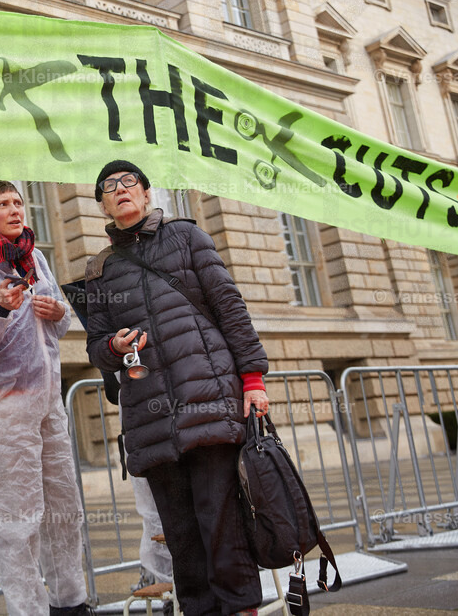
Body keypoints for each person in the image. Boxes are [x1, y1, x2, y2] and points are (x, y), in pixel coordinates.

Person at [84, 161, 270, 616]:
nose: (120, 189)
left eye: (129, 182)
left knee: (222, 523)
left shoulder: (188, 237)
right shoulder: (97, 270)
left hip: (207, 400)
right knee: (183, 544)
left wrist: (253, 379)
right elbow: (95, 347)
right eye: (109, 187)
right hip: (150, 416)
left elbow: (230, 307)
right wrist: (112, 345)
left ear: (147, 194)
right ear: (103, 206)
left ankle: (241, 609)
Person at [0, 181, 93, 616]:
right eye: (2, 204)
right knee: (17, 519)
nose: (14, 210)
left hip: (48, 403)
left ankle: (72, 601)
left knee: (64, 508)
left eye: (17, 202)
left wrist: (60, 313)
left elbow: (55, 328)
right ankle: (29, 610)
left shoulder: (35, 258)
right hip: (3, 409)